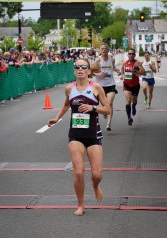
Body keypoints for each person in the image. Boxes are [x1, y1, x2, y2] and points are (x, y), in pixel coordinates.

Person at [47, 58, 110, 216]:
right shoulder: (69, 88)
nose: (80, 69)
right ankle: (81, 205)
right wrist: (57, 118)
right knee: (79, 172)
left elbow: (108, 109)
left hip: (93, 135)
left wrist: (93, 107)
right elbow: (67, 104)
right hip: (75, 136)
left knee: (97, 175)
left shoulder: (96, 87)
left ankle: (95, 186)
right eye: (77, 67)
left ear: (89, 71)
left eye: (84, 67)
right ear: (74, 71)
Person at [91, 43, 120, 131]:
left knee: (110, 103)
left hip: (111, 84)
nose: (103, 50)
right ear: (100, 51)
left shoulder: (112, 59)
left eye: (105, 48)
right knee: (105, 104)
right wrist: (98, 74)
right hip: (100, 86)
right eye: (102, 49)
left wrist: (117, 71)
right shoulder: (98, 61)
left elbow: (112, 67)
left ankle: (109, 123)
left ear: (108, 50)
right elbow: (90, 71)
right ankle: (104, 109)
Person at [120, 48, 146, 125]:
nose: (131, 55)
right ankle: (129, 118)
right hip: (126, 84)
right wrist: (122, 75)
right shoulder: (125, 63)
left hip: (135, 85)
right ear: (127, 55)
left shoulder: (137, 63)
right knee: (128, 101)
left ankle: (134, 106)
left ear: (134, 55)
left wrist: (135, 71)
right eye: (129, 54)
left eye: (132, 54)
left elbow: (144, 73)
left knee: (134, 101)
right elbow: (122, 69)